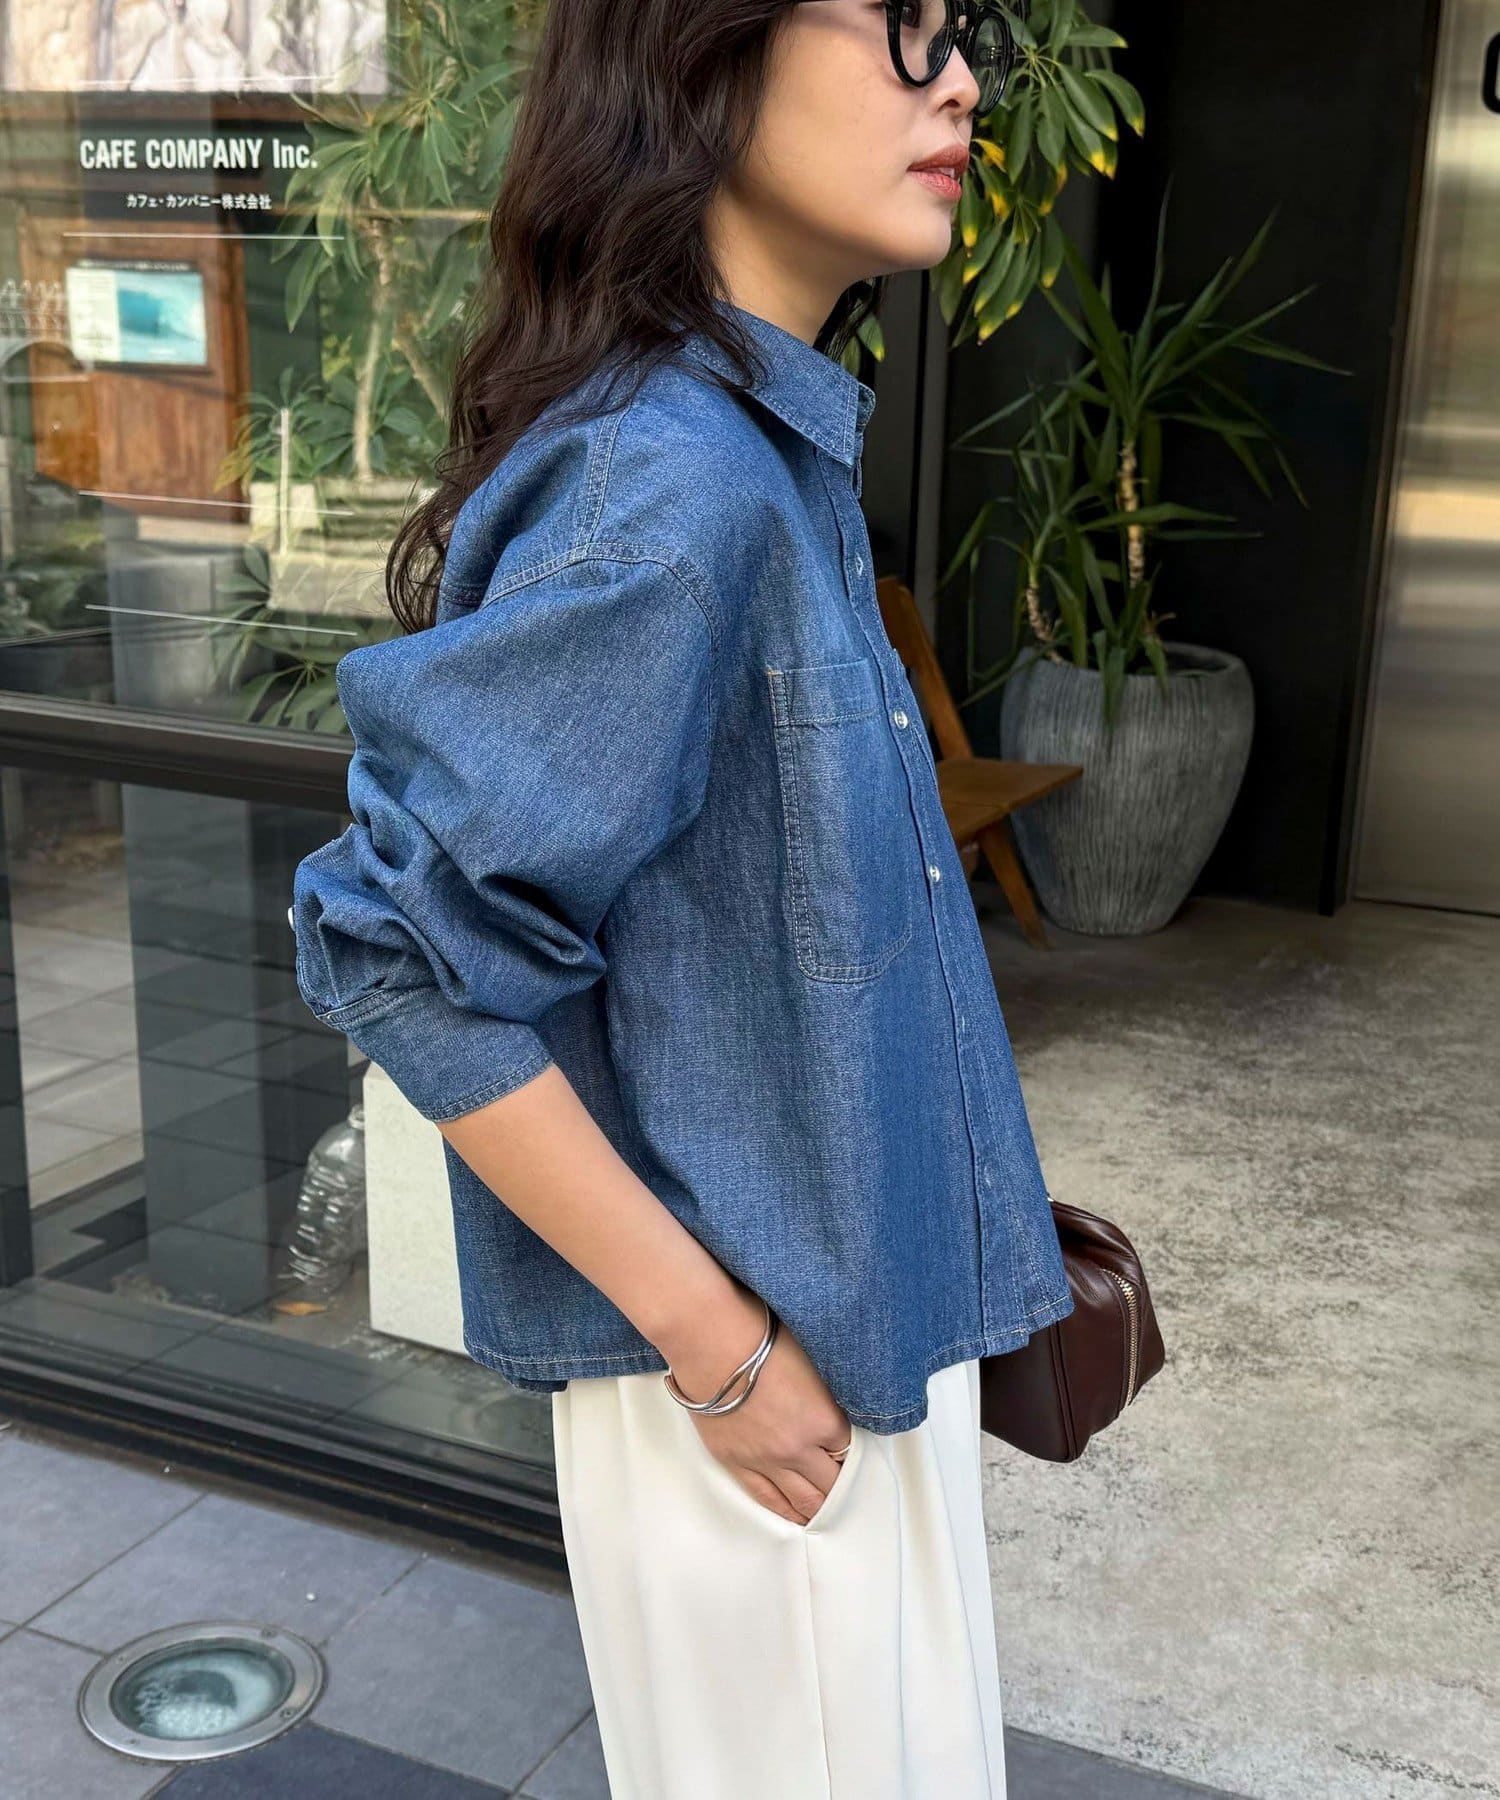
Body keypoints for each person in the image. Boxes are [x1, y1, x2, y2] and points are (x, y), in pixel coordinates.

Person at [289, 1, 1073, 1793]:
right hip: (770, 1395)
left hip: (834, 1336)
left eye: (962, 33)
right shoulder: (672, 479)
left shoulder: (754, 451)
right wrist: (721, 1356)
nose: (960, 79)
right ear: (699, 59)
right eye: (901, 24)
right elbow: (398, 948)